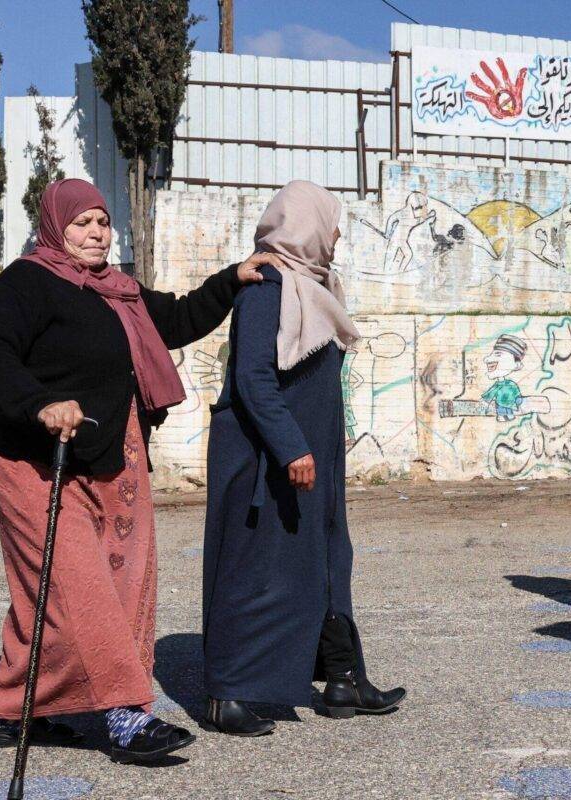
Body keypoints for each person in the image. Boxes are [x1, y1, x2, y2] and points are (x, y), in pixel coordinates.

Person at [0, 178, 274, 763]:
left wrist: (232, 279)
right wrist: (38, 403)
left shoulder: (119, 291)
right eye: (82, 223)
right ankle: (127, 714)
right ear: (56, 227)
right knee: (77, 585)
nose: (95, 233)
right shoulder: (27, 282)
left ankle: (16, 708)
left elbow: (178, 320)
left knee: (113, 587)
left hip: (113, 456)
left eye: (102, 223)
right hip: (33, 459)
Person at [201, 180, 405, 736]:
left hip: (314, 457)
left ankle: (343, 678)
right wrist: (291, 446)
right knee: (252, 572)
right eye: (332, 223)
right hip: (267, 459)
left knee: (329, 560)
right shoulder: (266, 287)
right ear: (307, 225)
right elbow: (253, 377)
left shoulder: (315, 288)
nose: (337, 235)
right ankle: (229, 691)